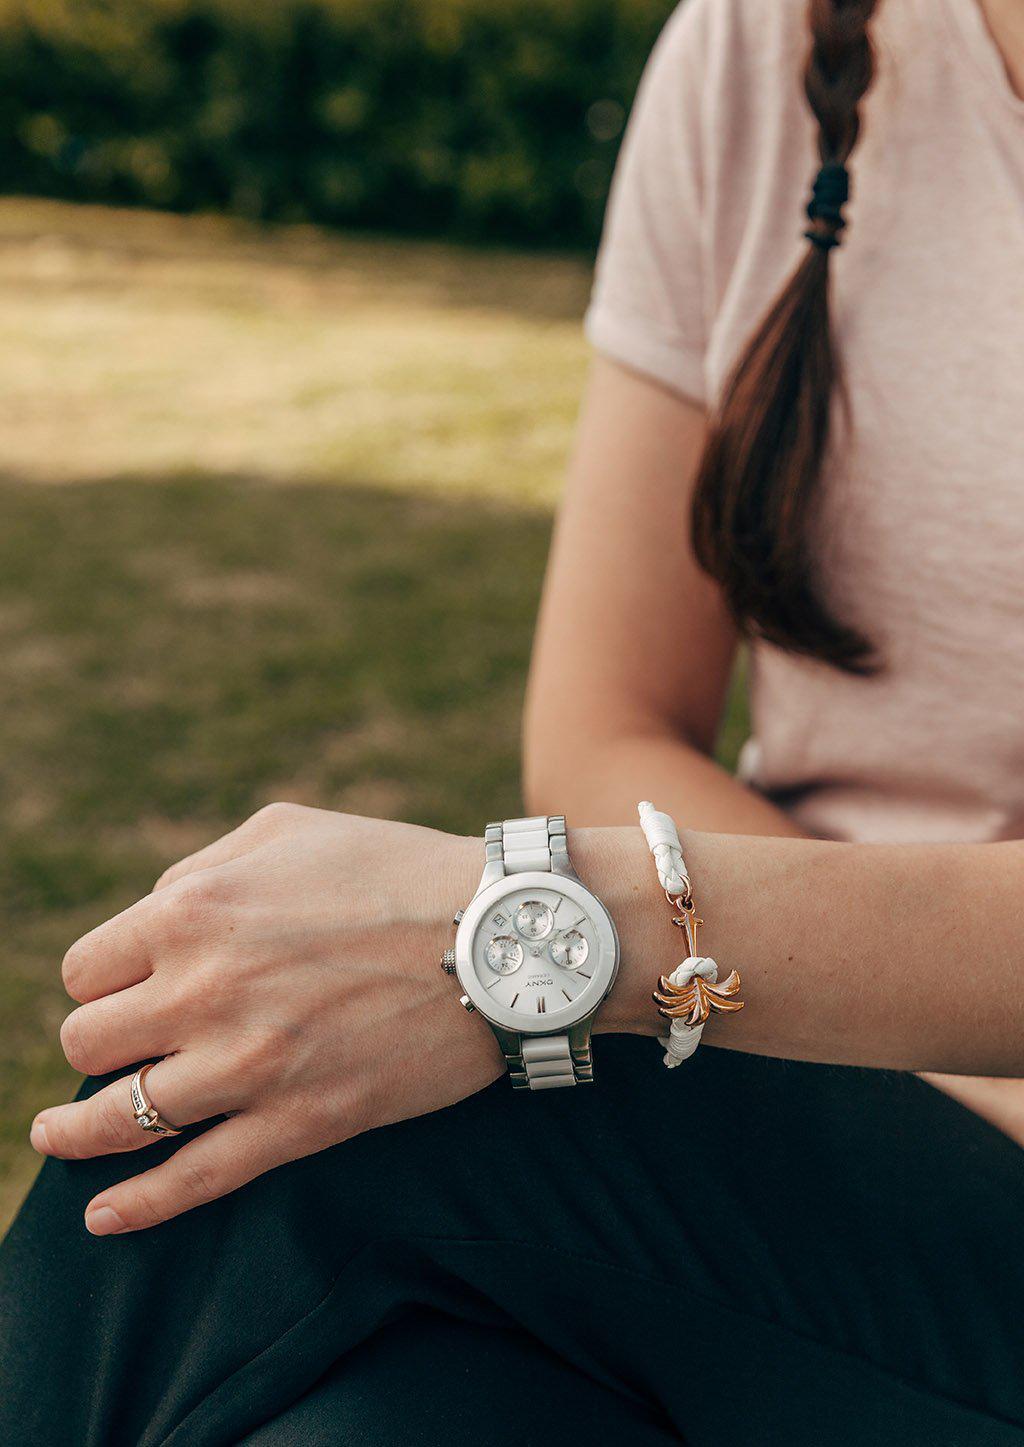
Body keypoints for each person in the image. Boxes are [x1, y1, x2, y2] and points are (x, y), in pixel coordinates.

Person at [2, 0, 1023, 1442]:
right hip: (824, 1101)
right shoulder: (766, 45)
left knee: (274, 1138)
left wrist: (533, 936)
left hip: (836, 1118)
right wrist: (898, 1027)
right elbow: (607, 723)